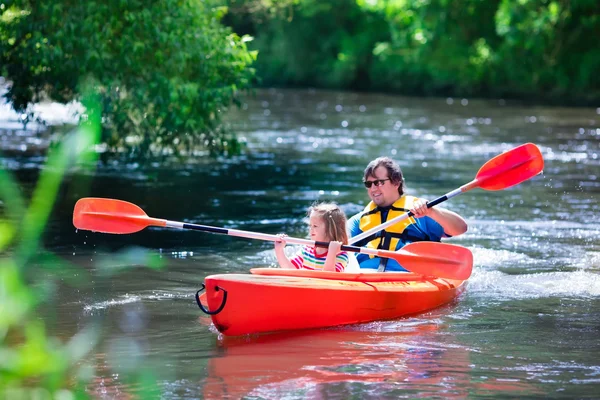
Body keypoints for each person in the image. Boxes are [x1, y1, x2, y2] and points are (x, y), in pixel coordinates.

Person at [348, 156, 468, 272]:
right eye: (369, 184)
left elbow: (461, 228)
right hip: (365, 274)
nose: (373, 189)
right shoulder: (358, 221)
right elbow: (337, 240)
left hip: (409, 276)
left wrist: (432, 212)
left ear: (396, 182)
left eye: (379, 183)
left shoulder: (420, 212)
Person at [274, 202, 351, 272]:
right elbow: (290, 270)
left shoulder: (341, 255)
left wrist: (332, 253)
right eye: (310, 225)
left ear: (330, 229)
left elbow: (329, 278)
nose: (310, 229)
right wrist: (279, 250)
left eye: (315, 226)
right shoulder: (307, 249)